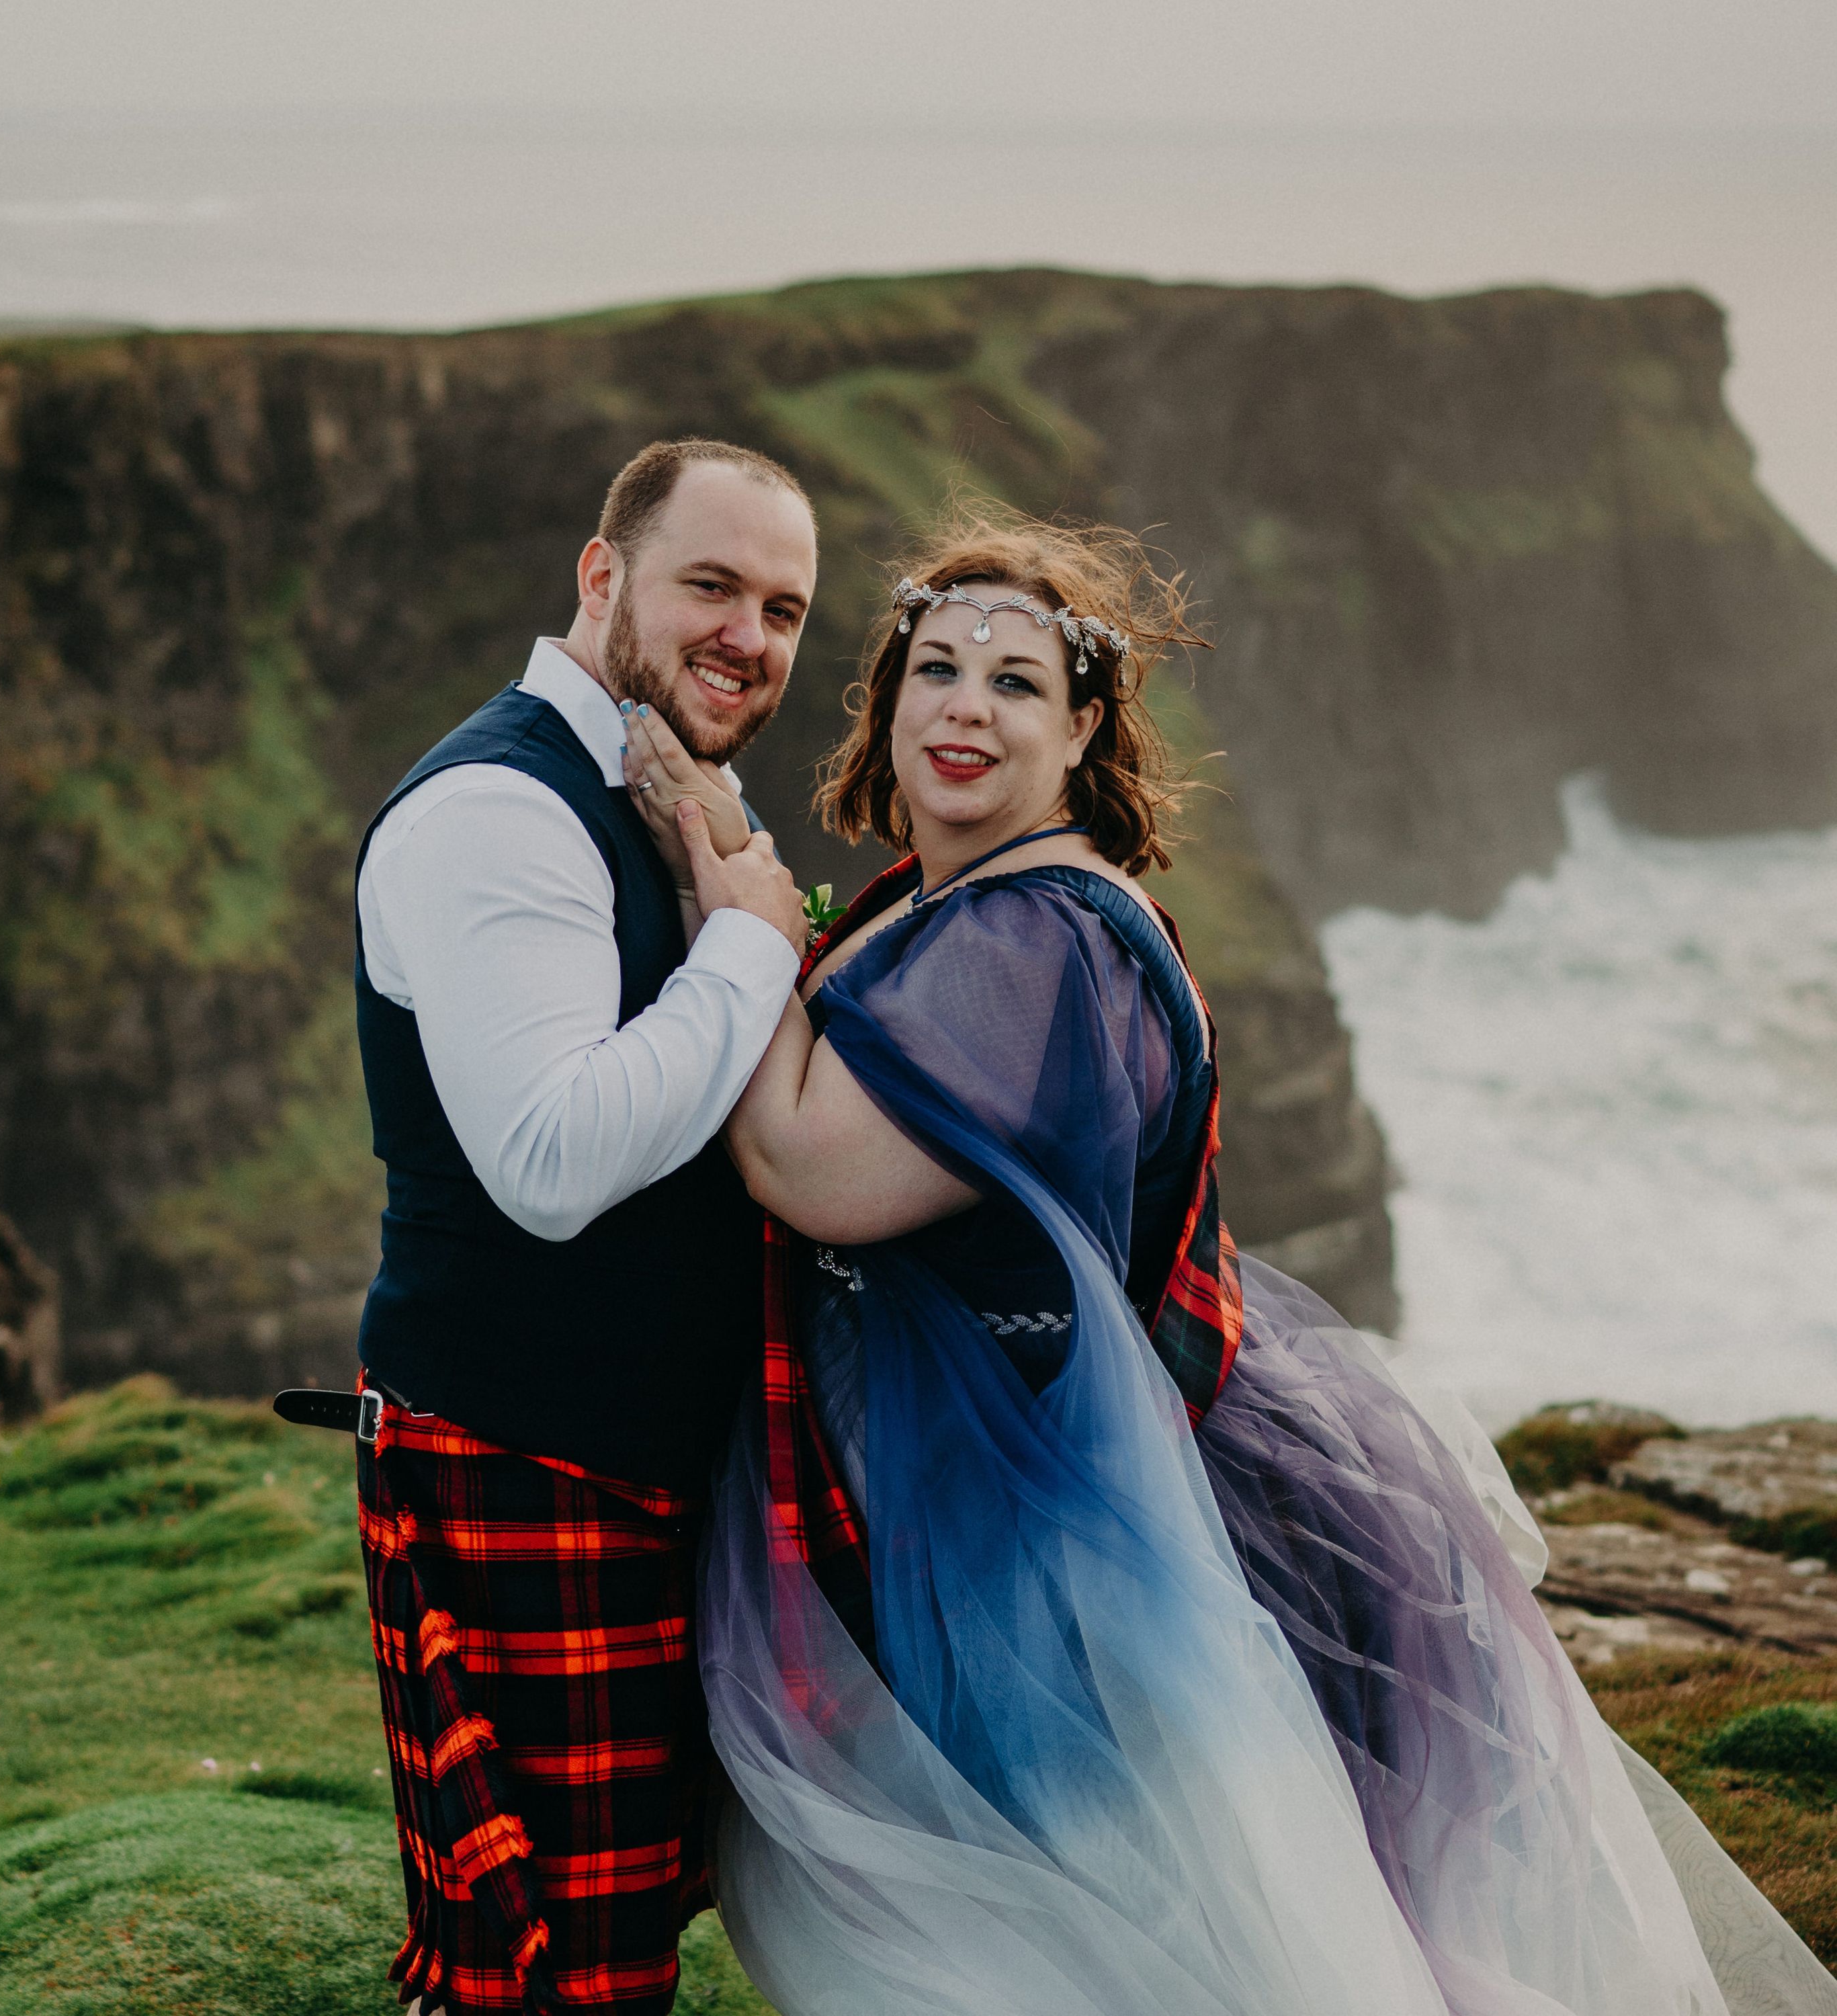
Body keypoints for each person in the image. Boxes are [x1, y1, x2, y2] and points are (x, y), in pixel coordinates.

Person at [646, 507, 1837, 2015]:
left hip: (1046, 1530)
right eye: (934, 668)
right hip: (1012, 1484)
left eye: (1019, 684)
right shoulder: (952, 901)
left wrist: (737, 920)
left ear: (1084, 730)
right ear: (886, 703)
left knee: (1131, 1937)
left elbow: (811, 1169)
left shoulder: (1041, 940)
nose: (965, 706)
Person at [351, 437, 818, 2016]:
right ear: (600, 576)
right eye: (711, 584)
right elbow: (547, 1161)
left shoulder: (665, 791)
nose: (749, 636)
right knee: (540, 1965)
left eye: (783, 607)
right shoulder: (497, 810)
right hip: (518, 1451)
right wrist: (754, 944)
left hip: (635, 1467)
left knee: (613, 1938)